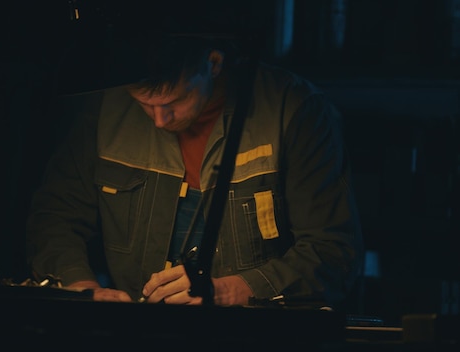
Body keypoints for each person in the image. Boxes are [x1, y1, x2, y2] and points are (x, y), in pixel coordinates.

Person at [25, 4, 363, 309]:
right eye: (145, 105)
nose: (160, 120)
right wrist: (80, 286)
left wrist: (229, 291)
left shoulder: (292, 110)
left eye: (174, 102)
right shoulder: (103, 108)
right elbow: (56, 217)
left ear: (213, 63)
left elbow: (333, 253)